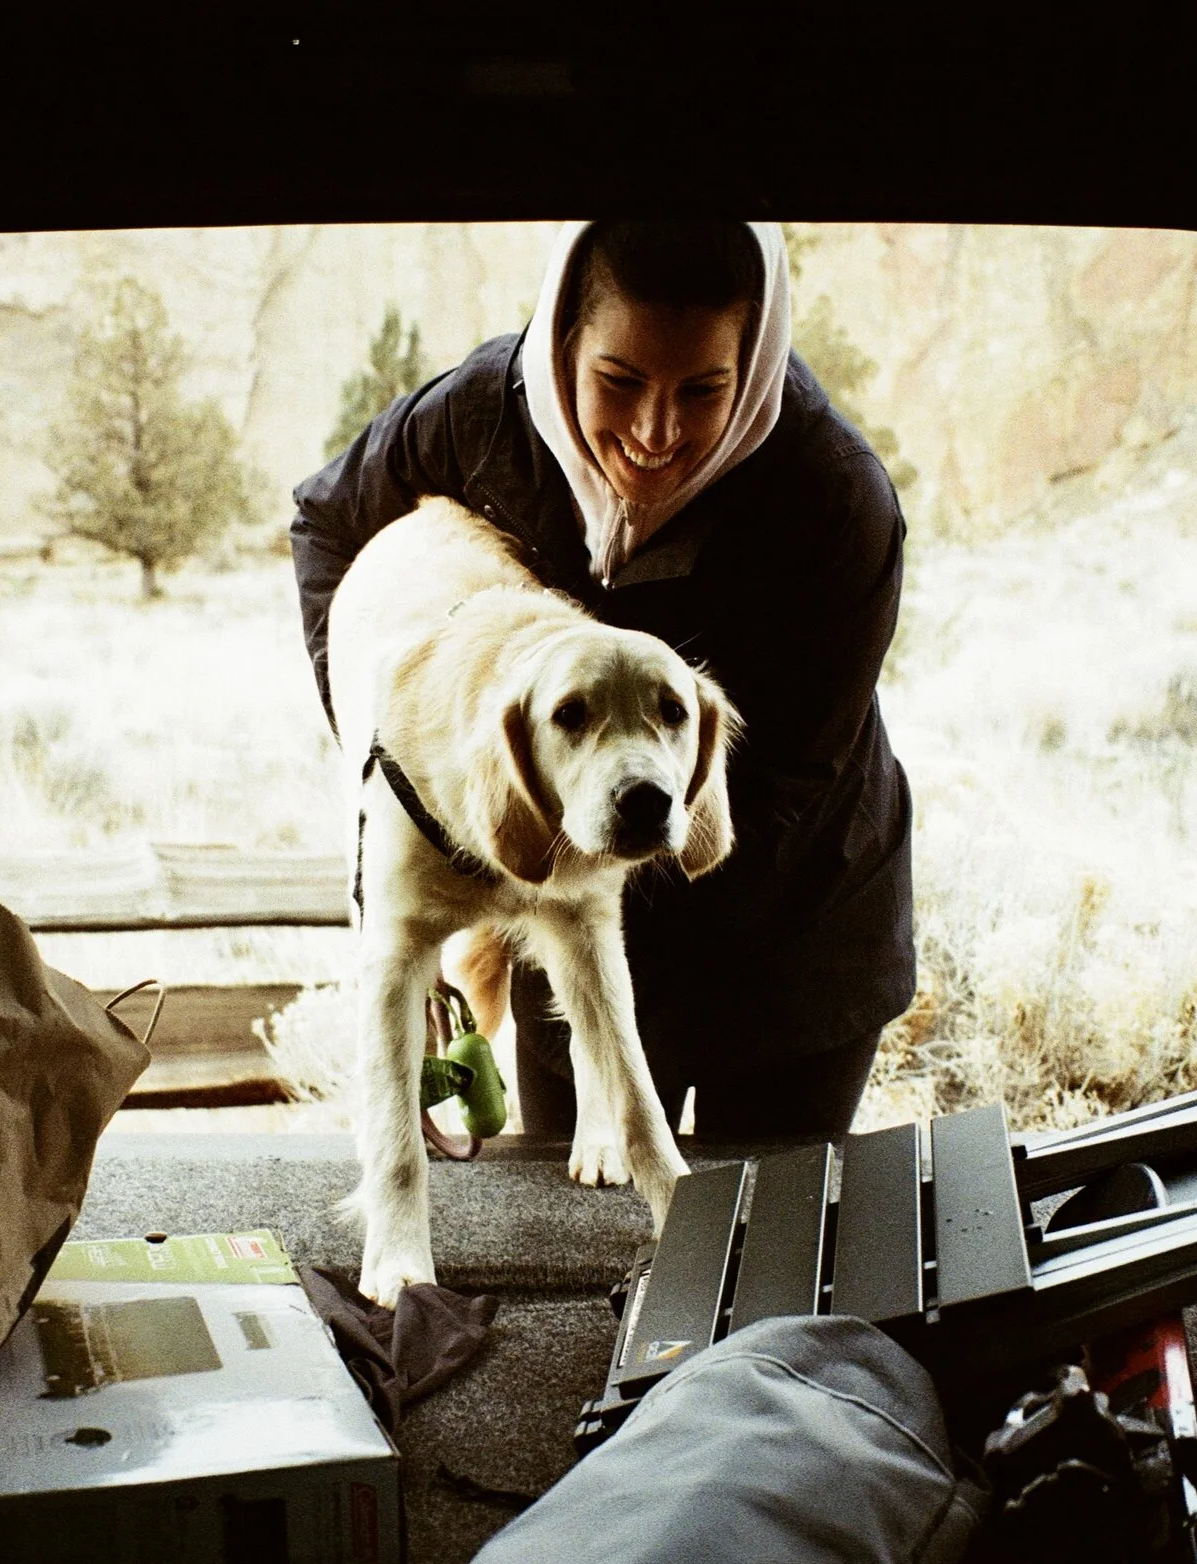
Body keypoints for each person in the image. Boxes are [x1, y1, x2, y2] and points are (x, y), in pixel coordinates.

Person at [291, 220, 912, 1140]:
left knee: (763, 1243)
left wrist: (560, 889)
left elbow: (787, 781)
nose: (656, 434)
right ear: (562, 342)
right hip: (562, 909)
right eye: (619, 383)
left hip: (793, 943)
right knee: (572, 1238)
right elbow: (328, 522)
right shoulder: (480, 413)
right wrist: (393, 776)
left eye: (705, 390)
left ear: (757, 365)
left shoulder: (835, 499)